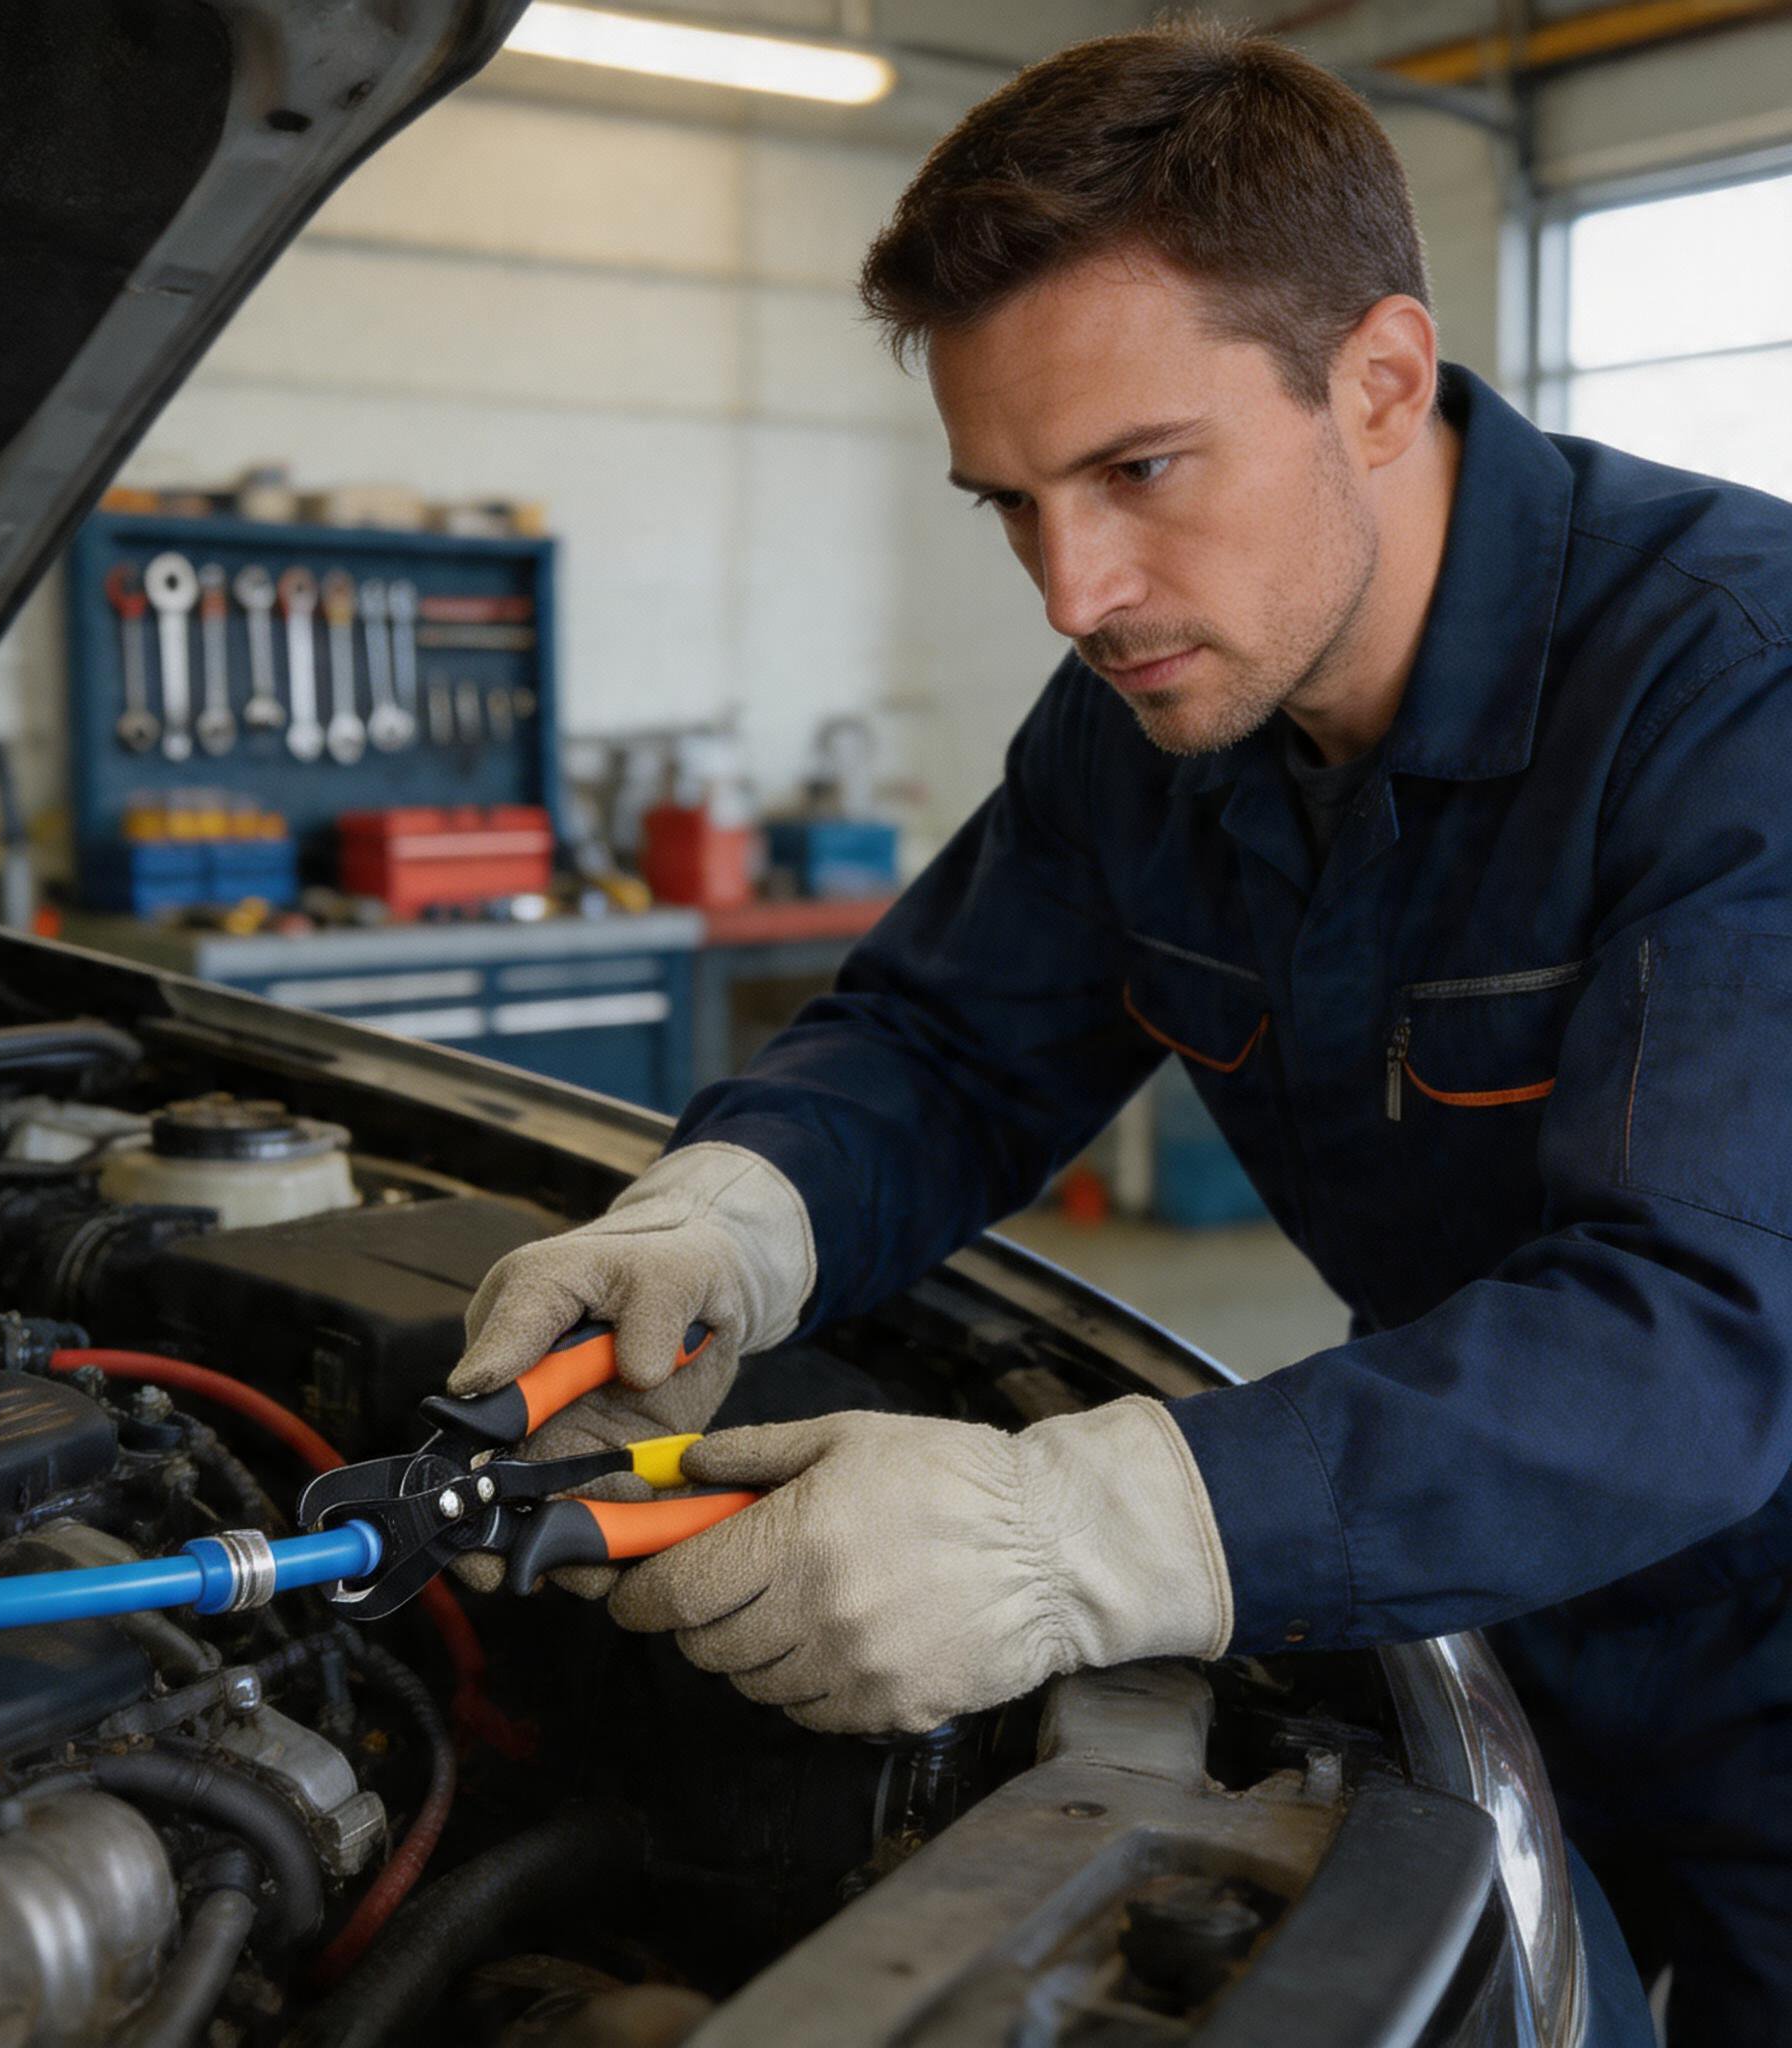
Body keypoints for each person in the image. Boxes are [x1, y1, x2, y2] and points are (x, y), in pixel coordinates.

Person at [449, 24, 1792, 2042]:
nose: (1073, 590)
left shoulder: (1737, 694)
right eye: (1011, 502)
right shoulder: (1152, 719)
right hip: (1481, 1573)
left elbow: (1700, 1333)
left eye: (1138, 470)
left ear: (1379, 382)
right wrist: (727, 1213)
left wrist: (1079, 1532)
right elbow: (944, 1045)